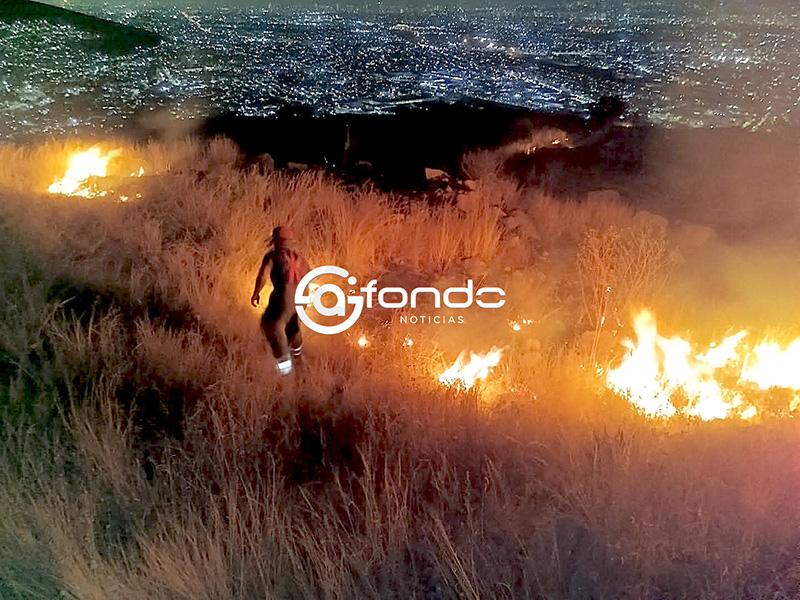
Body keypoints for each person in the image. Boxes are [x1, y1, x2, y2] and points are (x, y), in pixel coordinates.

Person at [251, 225, 309, 375]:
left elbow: (263, 276)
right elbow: (309, 279)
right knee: (292, 328)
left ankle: (285, 372)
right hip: (300, 300)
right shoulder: (300, 259)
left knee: (272, 326)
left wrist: (256, 293)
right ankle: (299, 363)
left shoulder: (272, 257)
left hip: (283, 298)